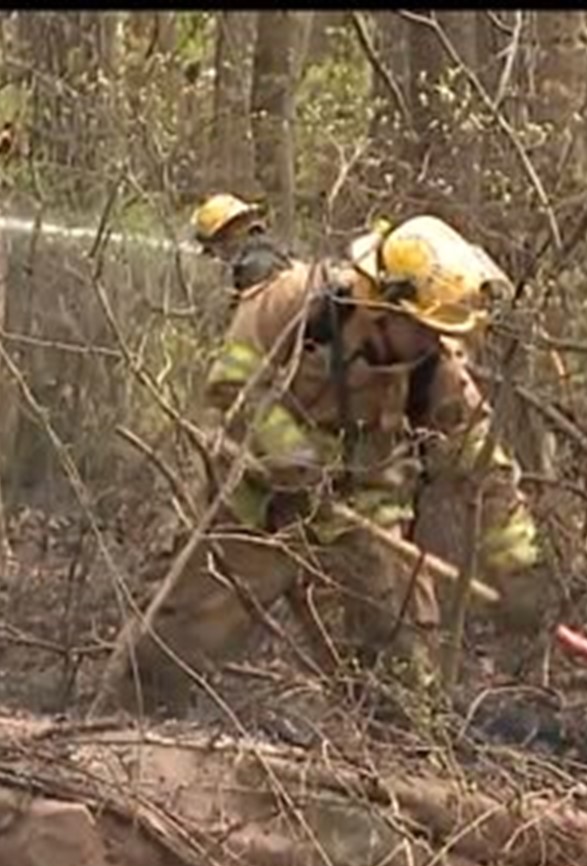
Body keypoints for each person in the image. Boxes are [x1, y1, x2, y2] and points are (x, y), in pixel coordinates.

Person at [109, 213, 547, 716]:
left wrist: (519, 566)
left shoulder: (432, 363)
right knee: (171, 643)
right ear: (383, 305)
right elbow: (231, 388)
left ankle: (404, 768)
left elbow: (481, 461)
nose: (431, 343)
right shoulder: (294, 301)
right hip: (260, 507)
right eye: (421, 328)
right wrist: (290, 454)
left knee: (404, 664)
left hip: (364, 511)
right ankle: (114, 743)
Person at [192, 193, 294, 293]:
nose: (215, 255)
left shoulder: (255, 268)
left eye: (215, 243)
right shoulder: (271, 251)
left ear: (229, 232)